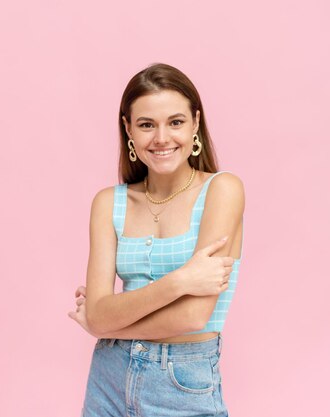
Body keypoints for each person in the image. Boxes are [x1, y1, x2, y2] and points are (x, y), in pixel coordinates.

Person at [67, 62, 244, 417]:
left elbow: (194, 315)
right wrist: (180, 281)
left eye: (175, 122)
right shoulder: (108, 203)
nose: (161, 138)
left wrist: (107, 323)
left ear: (195, 122)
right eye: (147, 124)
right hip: (108, 379)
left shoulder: (222, 190)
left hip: (184, 381)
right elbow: (99, 314)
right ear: (128, 129)